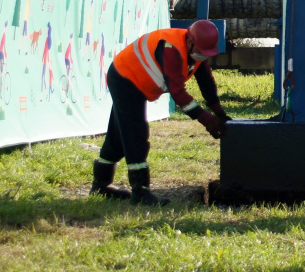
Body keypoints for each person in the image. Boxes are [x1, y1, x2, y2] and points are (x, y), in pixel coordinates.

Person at [90, 20, 230, 205]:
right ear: (189, 41)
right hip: (126, 79)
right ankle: (140, 192)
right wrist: (206, 119)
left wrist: (219, 112)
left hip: (133, 79)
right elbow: (178, 94)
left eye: (207, 53)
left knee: (118, 137)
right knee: (135, 134)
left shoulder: (197, 52)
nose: (203, 56)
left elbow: (206, 83)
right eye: (201, 51)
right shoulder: (171, 49)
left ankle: (100, 186)